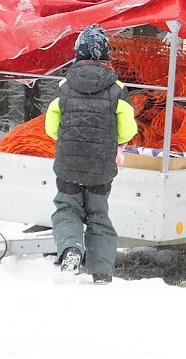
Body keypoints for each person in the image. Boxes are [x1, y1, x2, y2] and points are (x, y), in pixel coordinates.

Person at [45, 24, 138, 285]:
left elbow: (51, 126)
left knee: (67, 208)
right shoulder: (117, 88)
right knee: (98, 215)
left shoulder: (65, 86)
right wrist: (112, 142)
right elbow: (128, 128)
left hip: (69, 164)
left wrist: (69, 141)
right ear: (107, 55)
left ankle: (71, 249)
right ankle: (102, 272)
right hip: (101, 166)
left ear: (78, 53)